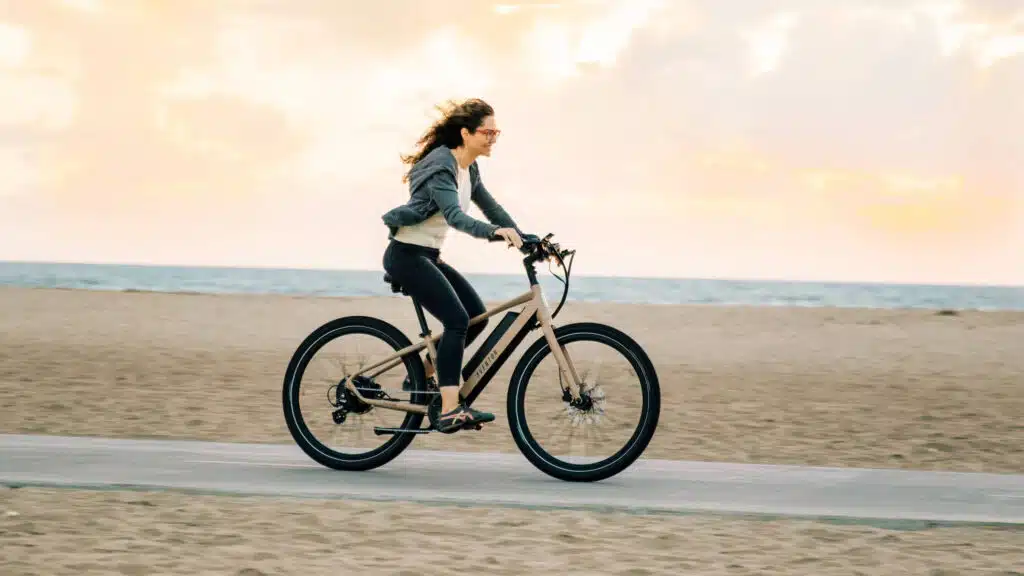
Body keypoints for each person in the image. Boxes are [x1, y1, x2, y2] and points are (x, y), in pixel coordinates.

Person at [381, 98, 524, 433]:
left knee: (475, 317)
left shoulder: (469, 168)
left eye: (496, 133)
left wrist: (525, 237)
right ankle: (449, 409)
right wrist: (494, 233)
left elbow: (492, 208)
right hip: (406, 255)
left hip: (428, 255)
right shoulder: (442, 166)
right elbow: (456, 217)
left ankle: (421, 374)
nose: (492, 138)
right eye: (487, 132)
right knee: (457, 320)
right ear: (465, 133)